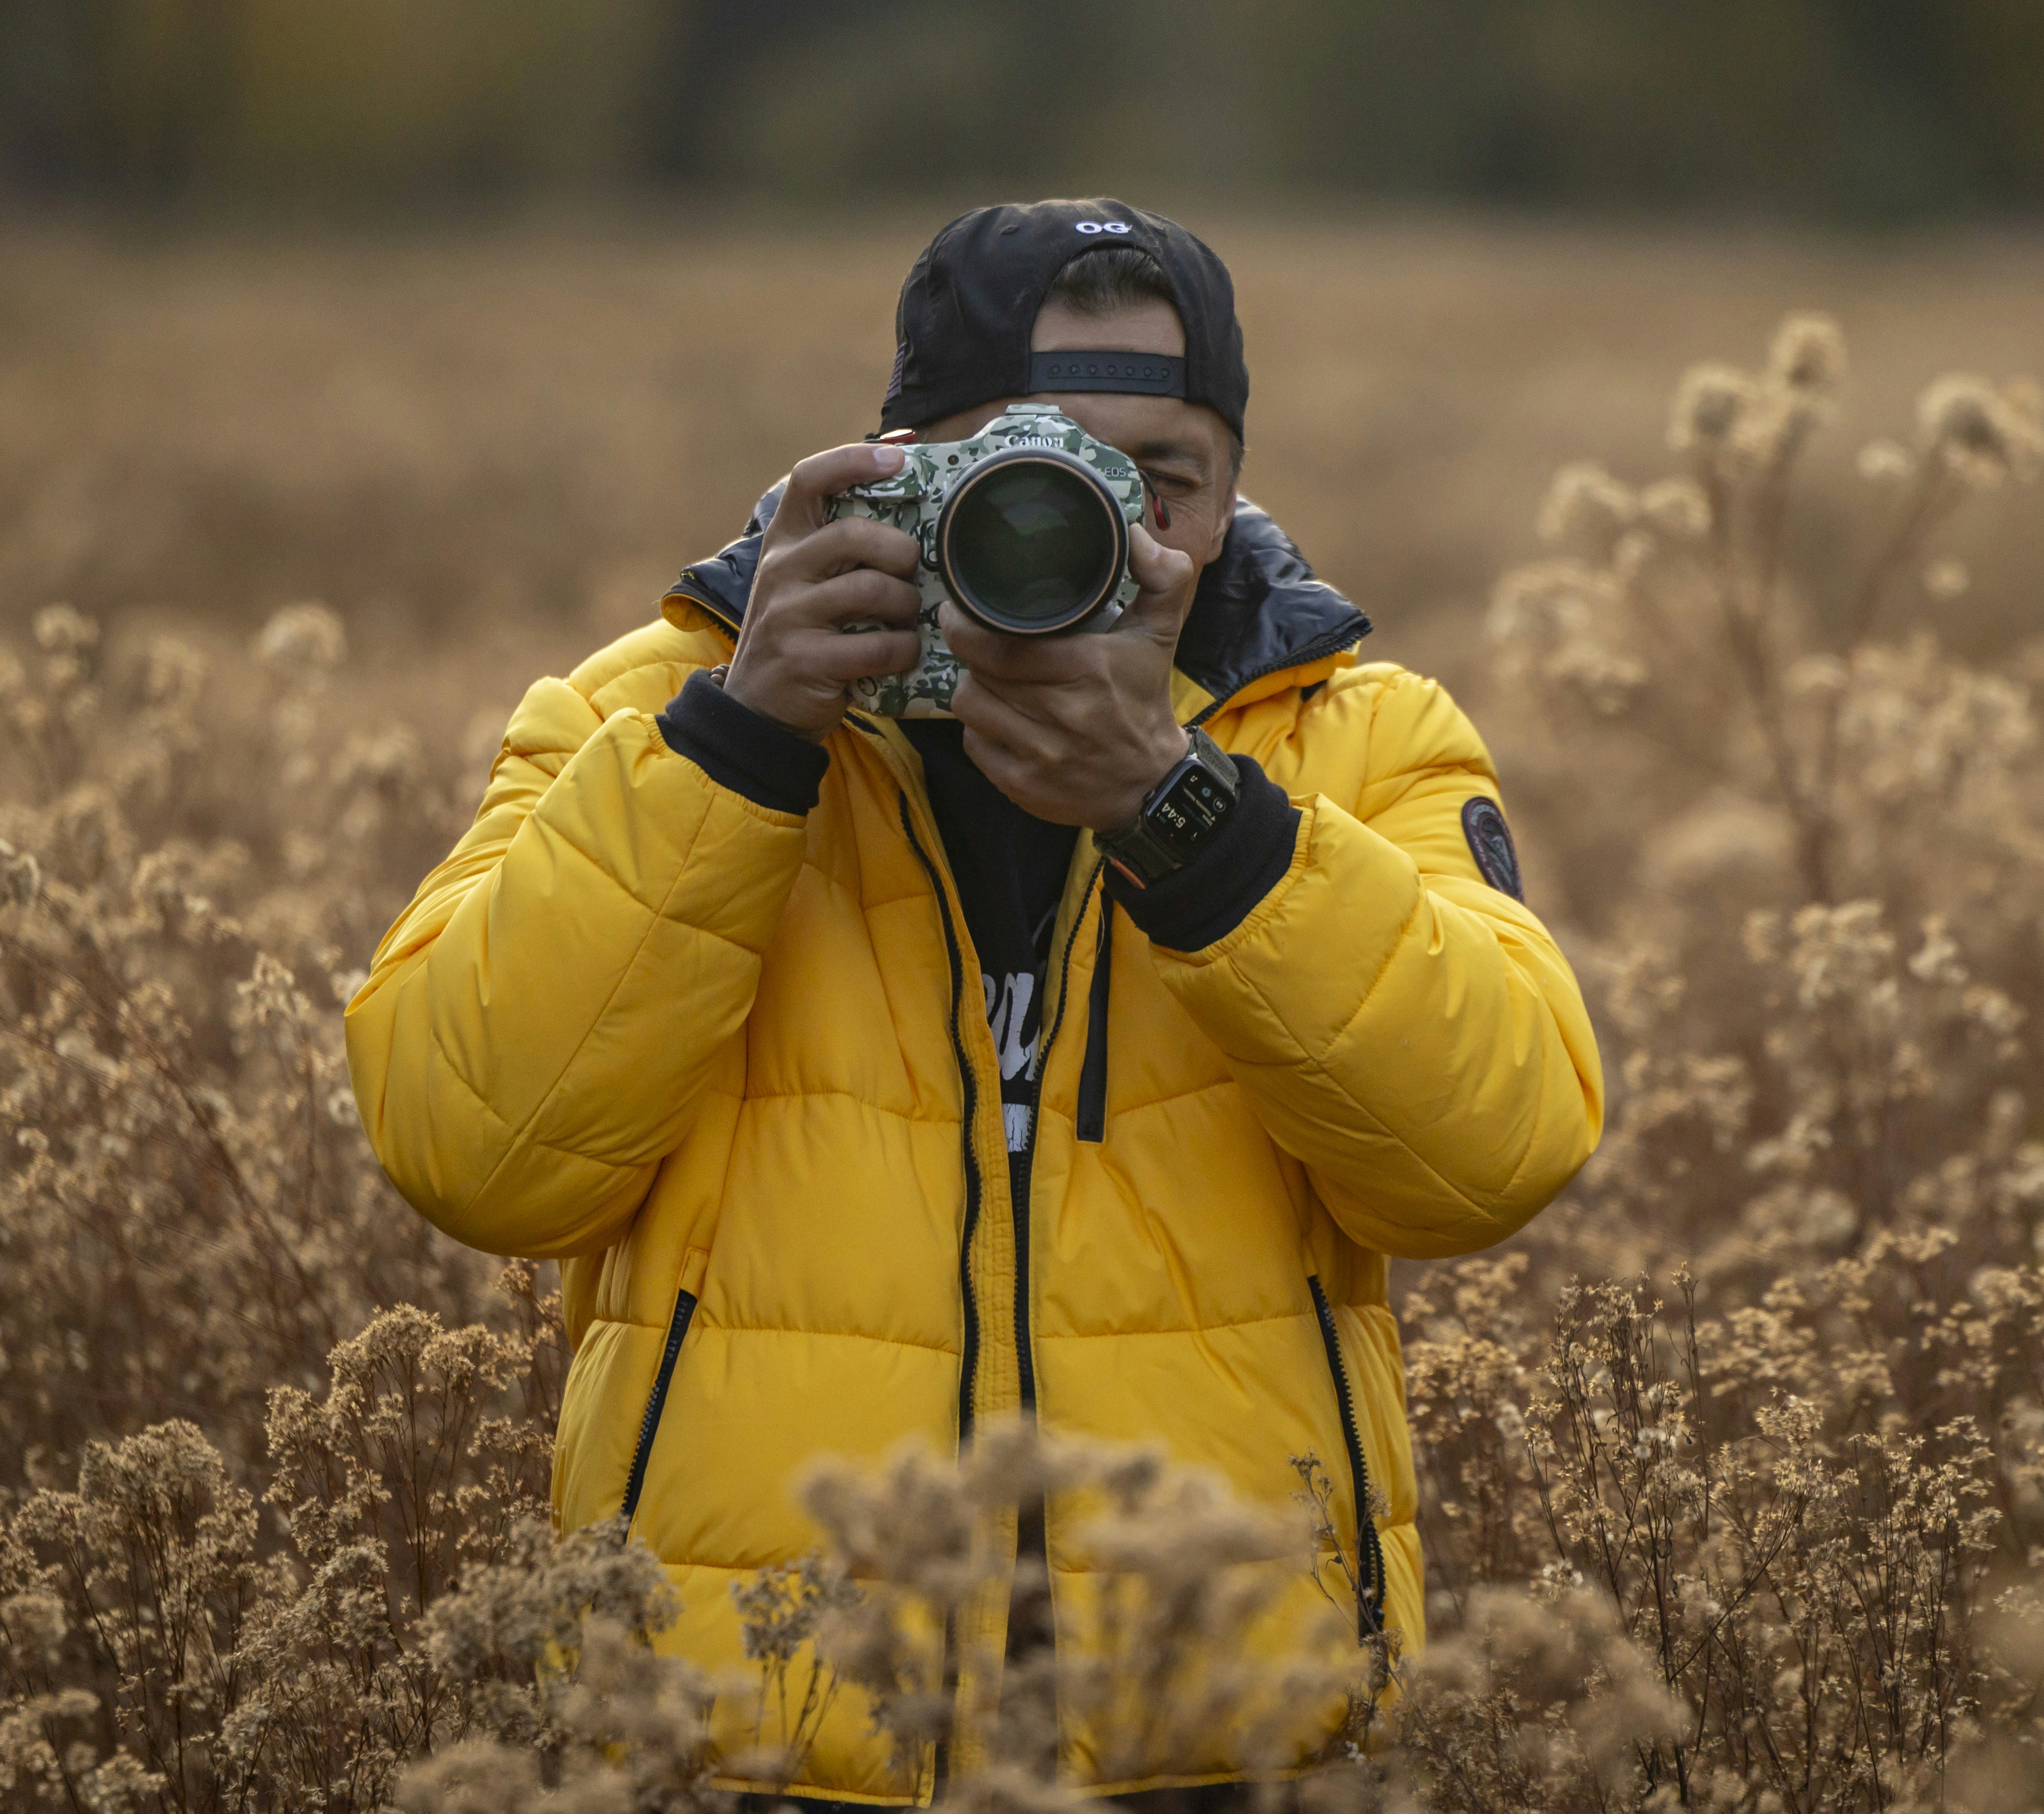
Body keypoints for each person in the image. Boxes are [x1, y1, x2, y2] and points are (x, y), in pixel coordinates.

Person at [344, 198, 1603, 1805]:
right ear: (891, 474)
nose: (1082, 527)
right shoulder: (648, 716)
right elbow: (472, 1148)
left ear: (1230, 501)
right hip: (756, 1741)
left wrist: (1187, 813)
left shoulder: (1351, 745)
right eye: (1025, 468)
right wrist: (740, 749)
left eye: (1161, 481)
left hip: (1212, 1740)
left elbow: (1496, 1150)